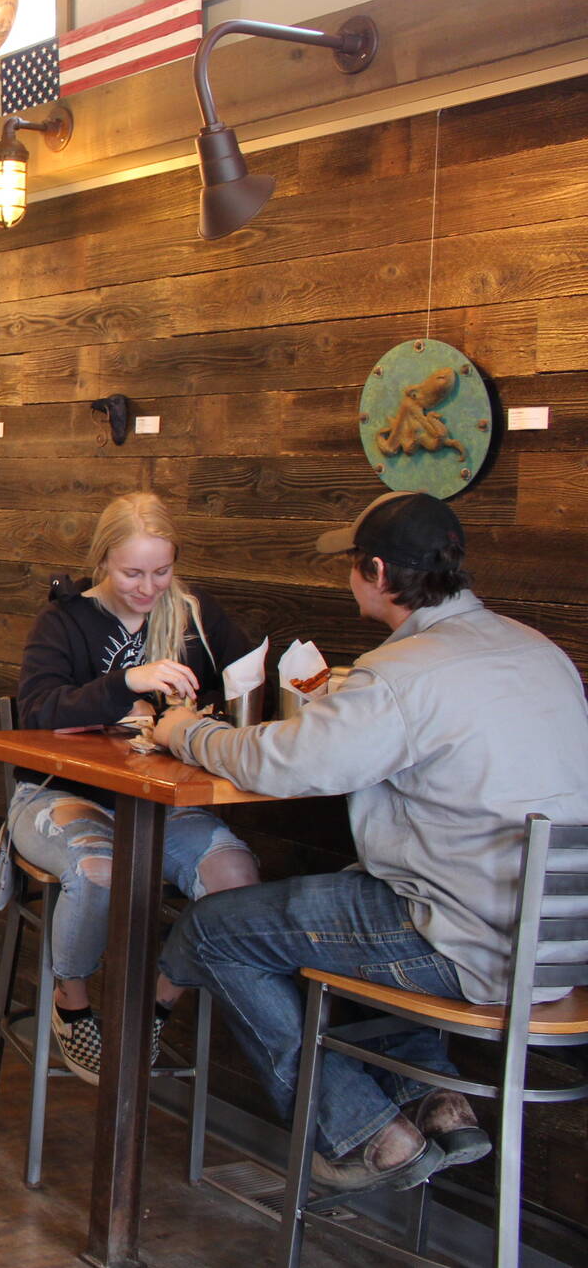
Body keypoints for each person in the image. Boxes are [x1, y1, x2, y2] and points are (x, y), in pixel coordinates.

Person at [154, 491, 588, 1194]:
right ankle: (436, 1103)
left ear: (378, 572)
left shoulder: (404, 672)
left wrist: (186, 732)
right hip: (557, 949)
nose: (348, 577)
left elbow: (284, 763)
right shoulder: (540, 650)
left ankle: (360, 1131)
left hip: (462, 943)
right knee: (364, 892)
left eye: (352, 565)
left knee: (214, 930)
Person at [2, 491, 262, 1084]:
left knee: (235, 877)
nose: (149, 588)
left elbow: (247, 677)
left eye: (162, 572)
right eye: (132, 573)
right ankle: (73, 1002)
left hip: (161, 800)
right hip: (59, 793)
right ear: (103, 562)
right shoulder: (65, 621)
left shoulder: (194, 614)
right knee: (101, 871)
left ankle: (158, 1001)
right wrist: (128, 681)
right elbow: (37, 711)